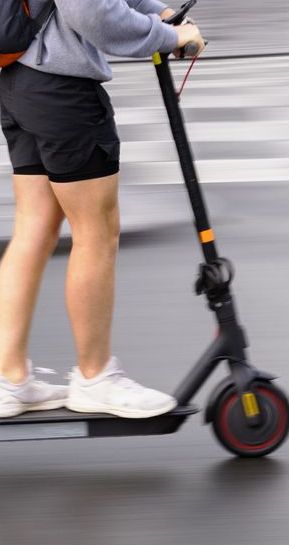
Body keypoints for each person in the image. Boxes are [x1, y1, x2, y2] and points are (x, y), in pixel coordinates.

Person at [0, 0, 205, 419]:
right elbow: (90, 13)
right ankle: (95, 378)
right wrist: (170, 35)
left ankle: (9, 377)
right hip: (61, 90)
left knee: (34, 228)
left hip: (17, 78)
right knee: (96, 230)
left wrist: (157, 10)